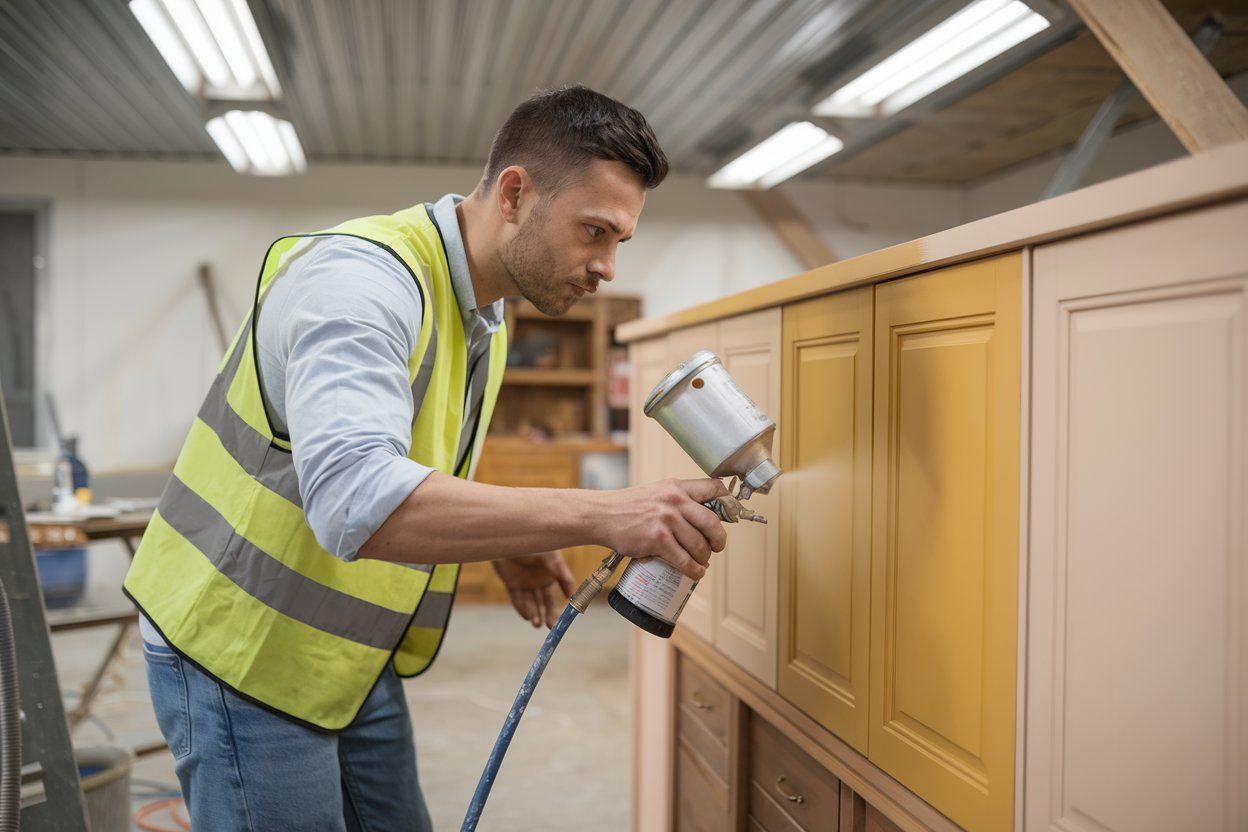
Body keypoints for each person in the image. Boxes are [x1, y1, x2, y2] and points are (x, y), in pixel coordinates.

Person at [124, 84, 729, 831]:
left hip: (345, 652)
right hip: (240, 644)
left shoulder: (486, 309)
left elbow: (413, 455)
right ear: (515, 193)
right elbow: (357, 500)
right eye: (594, 231)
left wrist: (510, 541)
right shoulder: (360, 284)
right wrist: (604, 514)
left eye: (618, 242)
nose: (607, 265)